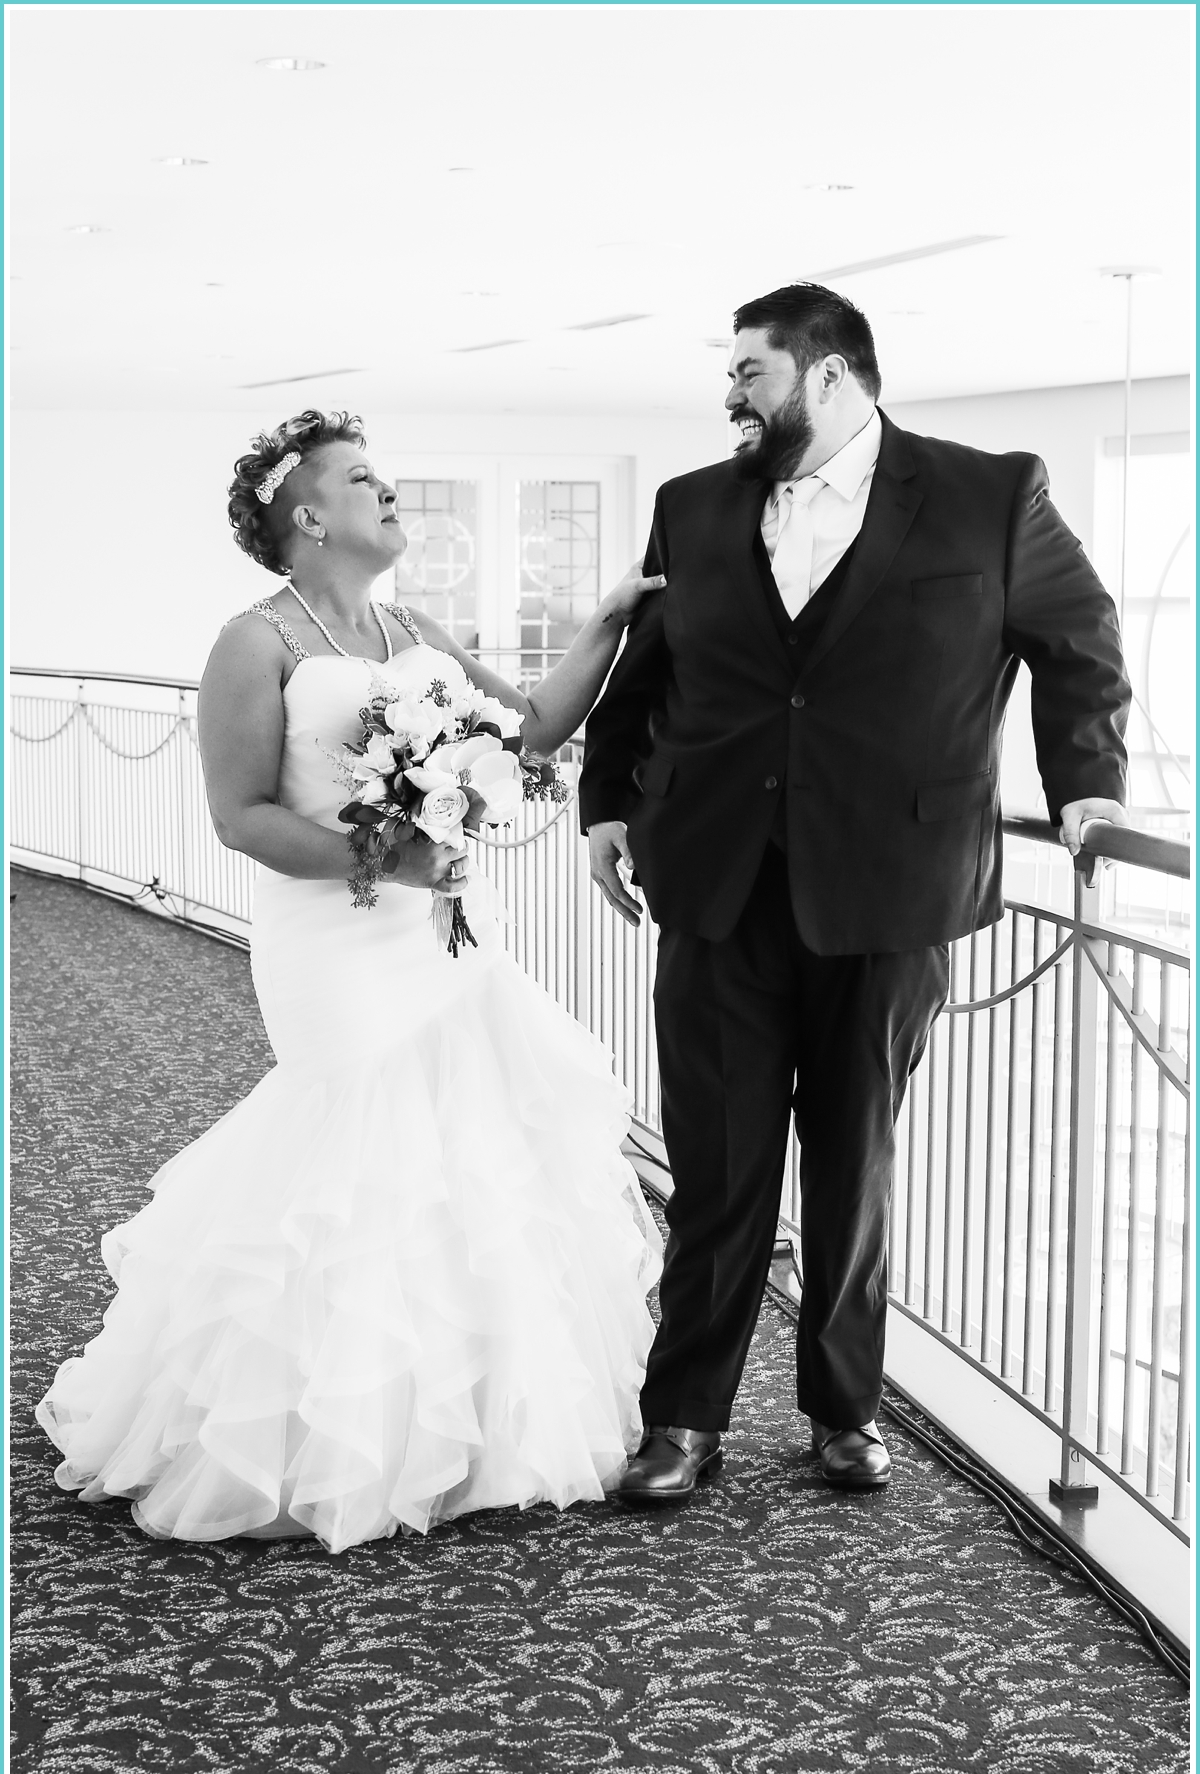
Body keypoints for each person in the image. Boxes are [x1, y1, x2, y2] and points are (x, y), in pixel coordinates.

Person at [36, 410, 665, 1552]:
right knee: (353, 1150)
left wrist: (609, 621)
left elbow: (529, 732)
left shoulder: (409, 621)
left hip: (445, 928)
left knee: (464, 1145)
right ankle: (320, 1433)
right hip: (332, 932)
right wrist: (391, 856)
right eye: (364, 478)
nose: (392, 493)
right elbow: (239, 817)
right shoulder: (253, 640)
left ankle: (459, 1425)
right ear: (307, 515)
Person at [580, 283, 1131, 1505]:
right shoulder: (691, 504)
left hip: (892, 887)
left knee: (853, 1161)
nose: (729, 394)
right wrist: (607, 798)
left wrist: (1085, 785)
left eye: (750, 372)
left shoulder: (993, 493)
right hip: (718, 881)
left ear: (829, 377)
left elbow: (1079, 640)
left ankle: (843, 1408)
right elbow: (646, 667)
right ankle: (682, 1419)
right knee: (715, 1166)